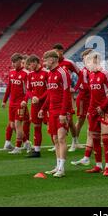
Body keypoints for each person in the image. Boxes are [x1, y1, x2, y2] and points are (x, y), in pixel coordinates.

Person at [38, 50, 72, 178]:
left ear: (52, 60)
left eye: (45, 60)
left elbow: (66, 94)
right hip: (51, 111)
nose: (44, 62)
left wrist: (63, 113)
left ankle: (62, 168)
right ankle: (57, 166)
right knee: (55, 139)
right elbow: (50, 94)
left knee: (61, 138)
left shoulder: (62, 73)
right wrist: (43, 108)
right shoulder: (50, 74)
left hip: (61, 111)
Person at [53, 43, 81, 152]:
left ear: (61, 51)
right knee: (55, 119)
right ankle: (57, 142)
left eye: (56, 52)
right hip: (55, 97)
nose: (55, 54)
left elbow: (81, 74)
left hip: (67, 96)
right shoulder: (52, 64)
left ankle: (74, 141)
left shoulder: (69, 63)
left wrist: (75, 88)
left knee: (69, 120)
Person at [21, 55, 48, 158]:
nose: (28, 66)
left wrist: (40, 98)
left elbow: (49, 89)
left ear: (36, 62)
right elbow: (28, 90)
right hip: (35, 105)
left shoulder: (46, 73)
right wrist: (31, 98)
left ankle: (58, 147)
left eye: (29, 64)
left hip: (46, 105)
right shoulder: (30, 75)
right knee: (37, 127)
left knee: (52, 128)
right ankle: (37, 151)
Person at [71, 49, 94, 167]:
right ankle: (74, 142)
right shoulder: (84, 71)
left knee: (92, 122)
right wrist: (75, 90)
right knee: (80, 120)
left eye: (87, 57)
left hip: (92, 98)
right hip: (83, 98)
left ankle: (91, 144)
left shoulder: (93, 70)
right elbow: (83, 84)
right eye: (84, 58)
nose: (85, 59)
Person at [2, 53, 29, 154]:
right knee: (12, 125)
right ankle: (26, 142)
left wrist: (24, 101)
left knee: (17, 124)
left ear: (20, 61)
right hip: (12, 103)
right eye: (12, 62)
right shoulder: (11, 72)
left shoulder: (26, 73)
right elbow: (9, 87)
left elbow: (28, 90)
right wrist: (4, 101)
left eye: (14, 62)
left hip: (20, 103)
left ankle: (18, 148)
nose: (13, 64)